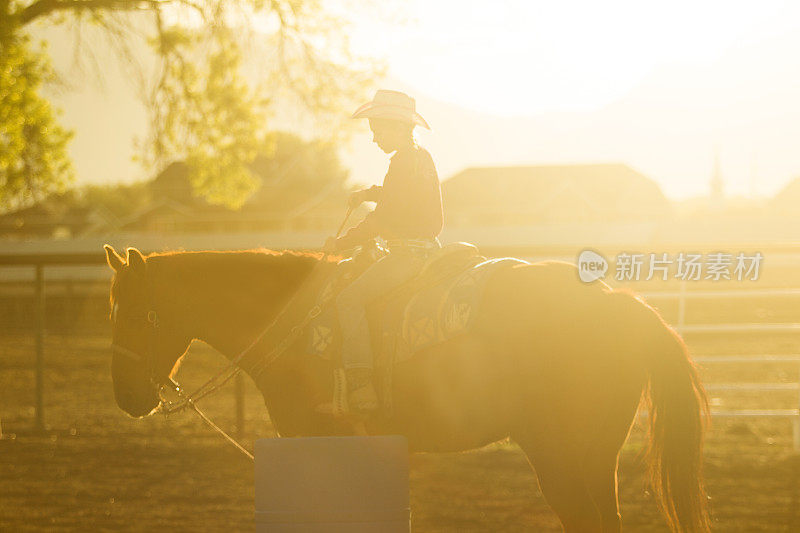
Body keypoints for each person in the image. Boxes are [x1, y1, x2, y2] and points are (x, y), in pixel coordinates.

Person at [323, 89, 443, 415]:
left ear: (397, 128)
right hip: (430, 250)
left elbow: (384, 218)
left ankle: (360, 382)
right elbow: (401, 197)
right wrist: (368, 193)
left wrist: (341, 243)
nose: (374, 138)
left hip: (407, 255)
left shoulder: (402, 162)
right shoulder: (420, 158)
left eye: (378, 130)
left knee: (347, 300)